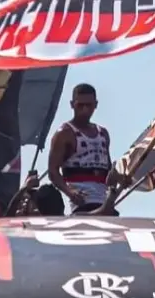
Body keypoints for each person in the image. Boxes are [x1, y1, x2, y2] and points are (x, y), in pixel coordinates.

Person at [48, 83, 120, 214]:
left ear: (96, 105)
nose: (85, 110)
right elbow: (53, 171)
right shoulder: (65, 133)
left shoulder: (102, 133)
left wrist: (118, 177)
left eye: (89, 105)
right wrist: (70, 192)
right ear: (72, 104)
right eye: (80, 105)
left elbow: (108, 172)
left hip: (104, 201)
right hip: (82, 203)